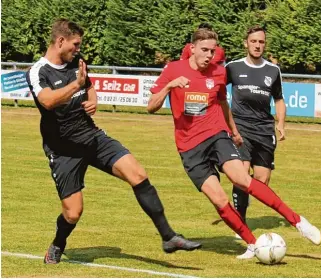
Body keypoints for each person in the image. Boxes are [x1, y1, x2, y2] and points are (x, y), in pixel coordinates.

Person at [25, 18, 201, 264]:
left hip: (92, 136)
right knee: (73, 212)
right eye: (75, 44)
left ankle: (168, 236)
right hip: (63, 149)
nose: (78, 49)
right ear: (60, 41)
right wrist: (76, 83)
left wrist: (93, 99)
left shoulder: (77, 62)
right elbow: (47, 101)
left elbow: (88, 86)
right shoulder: (37, 71)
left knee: (138, 174)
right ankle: (58, 244)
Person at [148, 28, 321, 259]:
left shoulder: (218, 73)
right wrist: (170, 87)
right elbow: (151, 106)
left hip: (216, 134)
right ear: (192, 48)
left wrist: (233, 131)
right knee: (218, 198)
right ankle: (252, 244)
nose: (209, 55)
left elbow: (222, 104)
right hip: (189, 147)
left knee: (242, 179)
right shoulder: (173, 69)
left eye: (212, 50)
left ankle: (298, 221)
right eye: (204, 50)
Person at [225, 26, 286, 238]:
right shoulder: (232, 67)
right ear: (246, 43)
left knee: (261, 181)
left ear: (264, 44)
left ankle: (244, 196)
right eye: (253, 42)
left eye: (261, 42)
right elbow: (216, 90)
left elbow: (279, 99)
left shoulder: (273, 70)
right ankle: (240, 222)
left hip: (264, 129)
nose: (257, 45)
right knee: (241, 175)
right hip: (240, 128)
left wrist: (280, 123)